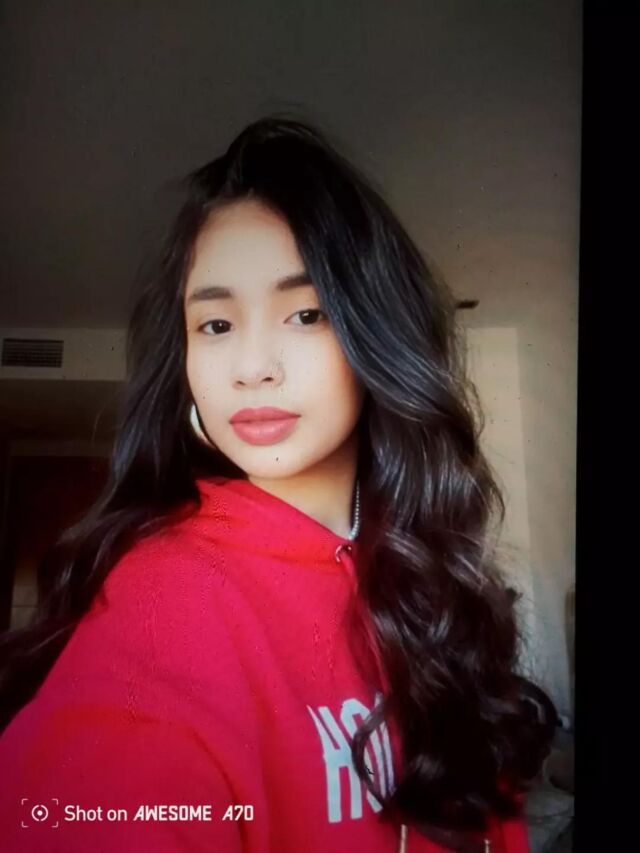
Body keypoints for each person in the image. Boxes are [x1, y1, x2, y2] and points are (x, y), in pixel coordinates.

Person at [0, 115, 556, 852]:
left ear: (374, 335)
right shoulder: (165, 604)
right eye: (216, 325)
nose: (251, 366)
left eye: (305, 313)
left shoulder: (426, 581)